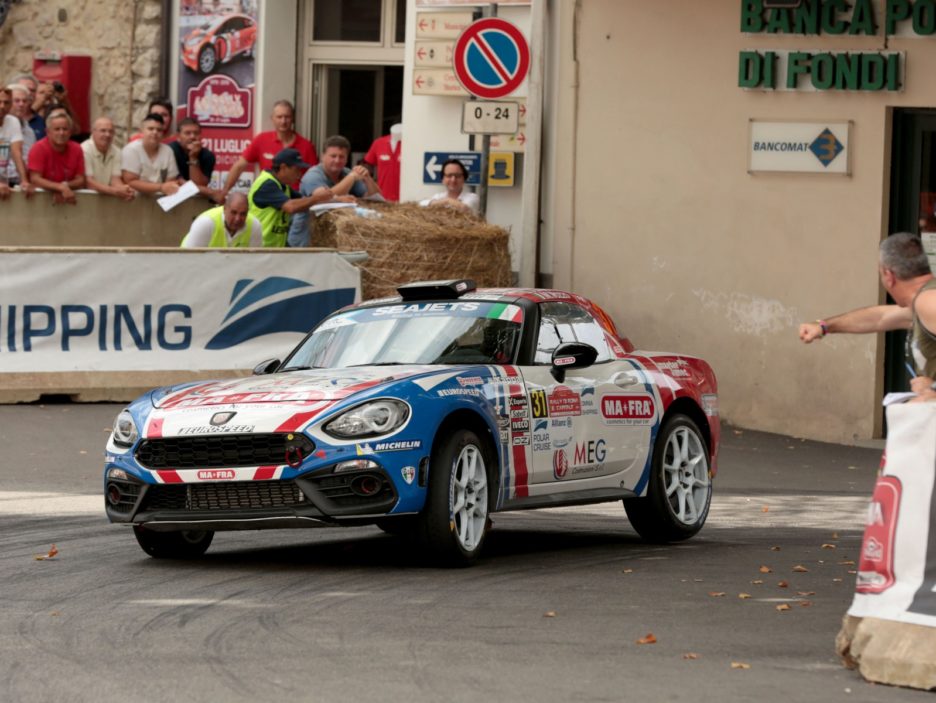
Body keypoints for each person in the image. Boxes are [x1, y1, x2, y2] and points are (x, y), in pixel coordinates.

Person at [799, 232, 936, 399]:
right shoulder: (920, 303)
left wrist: (933, 388)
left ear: (888, 276)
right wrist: (824, 326)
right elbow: (880, 318)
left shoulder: (928, 301)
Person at [286, 134, 381, 248]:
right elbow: (323, 197)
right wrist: (351, 178)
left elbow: (376, 197)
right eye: (333, 156)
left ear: (347, 159)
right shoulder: (313, 175)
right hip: (304, 241)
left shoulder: (346, 172)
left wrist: (367, 178)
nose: (337, 160)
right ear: (323, 156)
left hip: (330, 241)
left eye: (342, 157)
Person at [222, 100, 317, 196]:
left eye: (287, 117)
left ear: (293, 119)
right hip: (268, 196)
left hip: (296, 199)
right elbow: (239, 166)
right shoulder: (261, 140)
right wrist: (224, 192)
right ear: (272, 119)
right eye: (279, 117)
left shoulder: (306, 146)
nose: (283, 121)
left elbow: (314, 176)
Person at [247, 147, 333, 248]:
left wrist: (337, 199)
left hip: (274, 249)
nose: (299, 174)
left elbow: (304, 201)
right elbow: (291, 207)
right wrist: (316, 198)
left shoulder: (282, 186)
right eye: (296, 169)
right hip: (260, 248)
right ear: (283, 167)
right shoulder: (267, 184)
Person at [27, 110, 85, 205]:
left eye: (65, 129)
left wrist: (64, 186)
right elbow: (35, 179)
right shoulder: (38, 148)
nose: (61, 133)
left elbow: (81, 180)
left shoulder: (77, 148)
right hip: (39, 204)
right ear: (47, 132)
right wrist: (60, 188)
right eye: (57, 129)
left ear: (70, 132)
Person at [121, 113, 181, 197]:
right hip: (134, 200)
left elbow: (171, 181)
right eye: (150, 129)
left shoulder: (168, 151)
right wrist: (161, 187)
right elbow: (130, 181)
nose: (155, 132)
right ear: (142, 131)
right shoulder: (131, 150)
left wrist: (164, 187)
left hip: (161, 201)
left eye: (159, 130)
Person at [81, 116, 135, 201]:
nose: (107, 134)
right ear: (93, 132)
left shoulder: (117, 151)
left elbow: (115, 179)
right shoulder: (84, 149)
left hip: (105, 199)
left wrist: (124, 191)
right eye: (103, 130)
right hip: (86, 200)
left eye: (111, 131)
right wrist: (115, 191)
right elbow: (89, 182)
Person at [181, 192, 262, 248]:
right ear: (225, 209)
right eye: (233, 212)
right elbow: (191, 259)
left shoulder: (255, 226)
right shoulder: (206, 223)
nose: (238, 219)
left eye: (243, 214)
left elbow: (253, 261)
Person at [170, 117, 221, 202]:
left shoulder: (208, 156)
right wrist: (209, 192)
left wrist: (193, 157)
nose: (193, 137)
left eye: (196, 133)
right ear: (178, 137)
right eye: (187, 133)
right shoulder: (170, 150)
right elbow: (175, 181)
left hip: (196, 200)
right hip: (171, 198)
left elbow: (199, 185)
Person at [0, 87, 33, 199]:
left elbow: (16, 152)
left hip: (4, 181)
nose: (2, 106)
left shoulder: (12, 122)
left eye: (6, 103)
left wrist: (24, 181)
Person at [363, 123, 402, 202]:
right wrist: (370, 186)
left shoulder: (412, 144)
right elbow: (367, 165)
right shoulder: (378, 143)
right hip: (383, 199)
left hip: (406, 199)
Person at [7, 84, 36, 187]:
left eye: (24, 101)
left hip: (24, 184)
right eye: (17, 101)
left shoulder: (29, 131)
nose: (21, 104)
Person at [14, 75, 46, 141]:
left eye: (33, 90)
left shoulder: (42, 122)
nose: (29, 93)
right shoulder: (3, 119)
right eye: (25, 89)